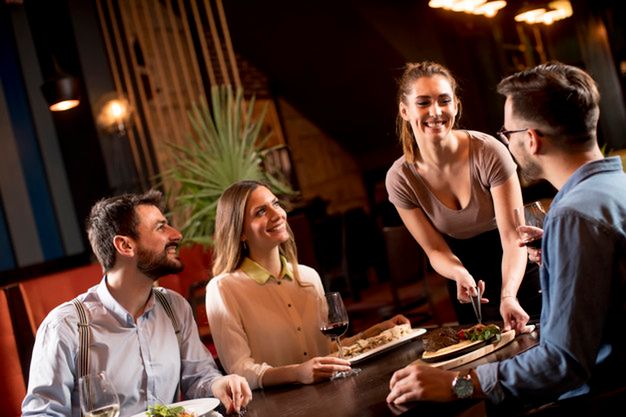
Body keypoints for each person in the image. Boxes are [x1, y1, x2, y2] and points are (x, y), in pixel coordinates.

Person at [387, 62, 626, 410]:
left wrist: (458, 385)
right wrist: (561, 253)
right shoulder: (615, 189)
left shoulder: (572, 217)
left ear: (531, 139)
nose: (504, 142)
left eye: (507, 133)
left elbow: (563, 364)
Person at [22, 190, 252, 417]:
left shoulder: (174, 307)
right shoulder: (65, 326)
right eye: (160, 227)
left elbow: (198, 376)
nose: (177, 234)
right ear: (125, 246)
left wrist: (217, 385)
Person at [206, 180, 410, 390]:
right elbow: (239, 370)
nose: (277, 215)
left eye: (275, 204)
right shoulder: (223, 289)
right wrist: (297, 373)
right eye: (260, 212)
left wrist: (375, 333)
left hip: (333, 394)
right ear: (239, 232)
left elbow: (324, 350)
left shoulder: (308, 276)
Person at [385, 61, 541, 330]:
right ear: (405, 110)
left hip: (517, 264)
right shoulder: (400, 178)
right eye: (423, 103)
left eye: (443, 100)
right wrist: (458, 272)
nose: (435, 112)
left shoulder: (489, 151)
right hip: (462, 273)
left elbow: (512, 236)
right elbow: (434, 249)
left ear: (455, 105)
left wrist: (508, 295)